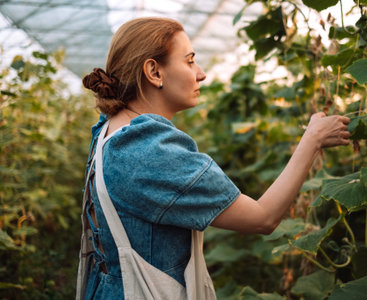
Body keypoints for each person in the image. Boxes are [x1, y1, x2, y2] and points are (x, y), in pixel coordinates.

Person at [77, 17, 350, 299]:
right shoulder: (148, 150)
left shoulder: (111, 129)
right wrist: (313, 140)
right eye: (190, 61)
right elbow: (263, 218)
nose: (201, 73)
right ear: (154, 71)